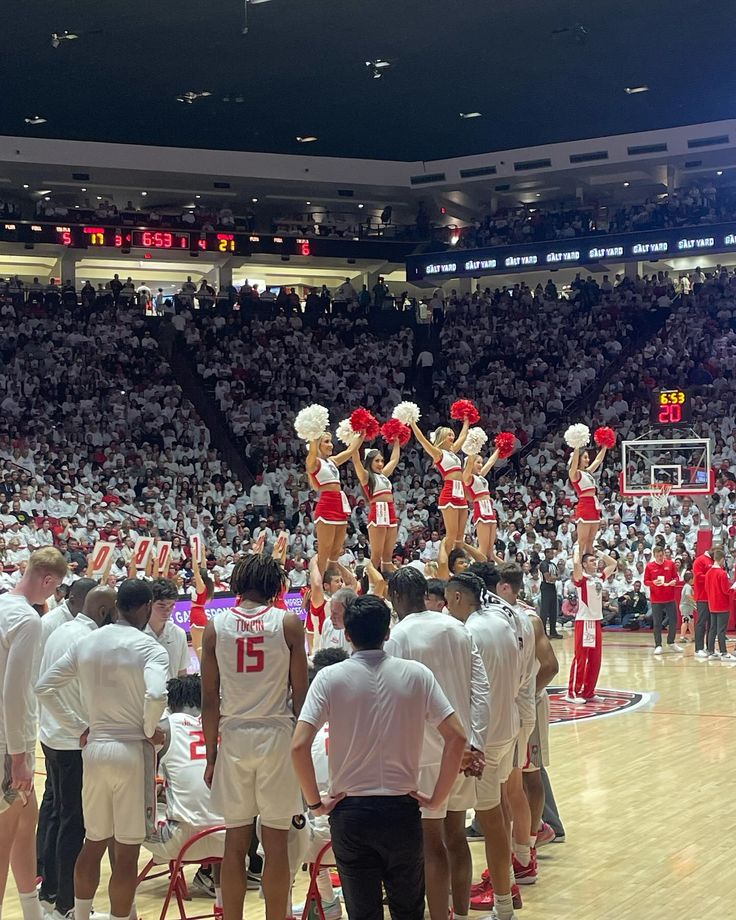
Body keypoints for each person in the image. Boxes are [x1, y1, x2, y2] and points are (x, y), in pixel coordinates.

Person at [291, 595, 466, 920]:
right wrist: (437, 798)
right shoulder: (417, 674)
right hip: (401, 809)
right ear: (388, 633)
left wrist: (315, 804)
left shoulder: (329, 678)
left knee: (362, 913)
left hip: (351, 813)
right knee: (408, 910)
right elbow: (457, 737)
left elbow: (298, 745)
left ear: (346, 634)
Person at [35, 578, 169, 920]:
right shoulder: (150, 648)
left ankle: (79, 915)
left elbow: (44, 686)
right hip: (130, 751)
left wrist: (77, 726)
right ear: (144, 607)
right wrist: (150, 729)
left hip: (94, 750)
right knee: (126, 853)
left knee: (92, 842)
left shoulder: (87, 641)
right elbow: (156, 695)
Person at [201, 554, 308, 920]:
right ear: (275, 586)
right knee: (276, 845)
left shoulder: (216, 626)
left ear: (237, 583)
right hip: (277, 734)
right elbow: (301, 695)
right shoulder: (289, 623)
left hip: (233, 735)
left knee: (235, 844)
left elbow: (208, 699)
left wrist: (211, 757)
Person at [385, 568, 489, 920]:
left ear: (398, 597)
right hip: (462, 748)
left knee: (431, 845)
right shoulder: (457, 628)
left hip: (425, 756)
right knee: (456, 838)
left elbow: (396, 702)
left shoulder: (398, 636)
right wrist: (474, 743)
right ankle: (460, 915)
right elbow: (481, 689)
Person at [36, 585, 117, 920]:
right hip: (73, 742)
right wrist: (81, 726)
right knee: (75, 823)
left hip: (52, 737)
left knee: (56, 816)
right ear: (102, 611)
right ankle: (69, 904)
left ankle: (51, 892)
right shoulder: (87, 640)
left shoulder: (61, 629)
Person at [444, 571, 521, 920]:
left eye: (448, 600)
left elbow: (471, 691)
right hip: (508, 727)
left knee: (481, 820)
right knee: (499, 813)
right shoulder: (503, 619)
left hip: (485, 739)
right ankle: (504, 896)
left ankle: (503, 904)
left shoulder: (468, 631)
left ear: (458, 598)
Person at [0, 548, 68, 920]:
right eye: (54, 587)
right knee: (5, 834)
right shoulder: (27, 620)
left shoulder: (2, 605)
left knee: (28, 820)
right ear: (47, 580)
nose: (52, 595)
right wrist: (20, 755)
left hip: (6, 732)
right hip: (9, 739)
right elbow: (15, 692)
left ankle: (31, 911)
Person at [141, 675, 226, 913]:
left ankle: (127, 910)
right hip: (228, 840)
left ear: (171, 705)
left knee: (123, 822)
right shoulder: (223, 724)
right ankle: (221, 904)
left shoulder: (164, 728)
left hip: (180, 842)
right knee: (221, 817)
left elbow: (143, 783)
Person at [409, 415, 471, 555]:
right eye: (449, 434)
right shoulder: (438, 453)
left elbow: (462, 436)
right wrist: (413, 423)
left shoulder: (453, 451)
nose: (452, 437)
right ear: (442, 436)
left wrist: (466, 420)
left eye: (452, 434)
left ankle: (456, 563)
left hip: (460, 492)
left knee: (460, 536)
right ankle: (443, 563)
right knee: (451, 534)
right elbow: (423, 440)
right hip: (449, 492)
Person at [305, 429, 362, 577]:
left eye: (330, 441)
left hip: (339, 505)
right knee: (325, 549)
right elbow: (312, 452)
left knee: (336, 549)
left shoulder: (332, 461)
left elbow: (351, 450)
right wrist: (312, 433)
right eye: (326, 442)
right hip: (326, 505)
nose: (330, 445)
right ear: (317, 444)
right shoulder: (314, 462)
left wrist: (362, 433)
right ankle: (318, 585)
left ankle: (330, 581)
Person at [566, 548, 618, 703]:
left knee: (595, 659)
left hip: (596, 621)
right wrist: (578, 550)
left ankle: (589, 691)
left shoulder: (599, 578)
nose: (595, 562)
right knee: (581, 658)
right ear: (584, 564)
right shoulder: (581, 578)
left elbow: (613, 563)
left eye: (595, 560)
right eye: (591, 560)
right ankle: (572, 693)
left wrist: (598, 552)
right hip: (584, 621)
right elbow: (576, 564)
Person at [351, 440, 402, 571]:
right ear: (369, 463)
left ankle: (387, 586)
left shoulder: (383, 475)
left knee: (387, 557)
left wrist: (396, 440)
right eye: (376, 461)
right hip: (378, 511)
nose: (380, 464)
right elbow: (356, 460)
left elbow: (395, 459)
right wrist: (355, 440)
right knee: (376, 556)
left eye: (381, 461)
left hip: (390, 510)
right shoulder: (366, 476)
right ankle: (368, 585)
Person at [462, 442, 502, 562]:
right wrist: (471, 450)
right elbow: (468, 465)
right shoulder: (468, 478)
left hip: (490, 509)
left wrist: (500, 448)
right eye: (478, 462)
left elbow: (490, 462)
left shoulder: (481, 476)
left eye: (481, 462)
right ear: (470, 463)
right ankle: (473, 568)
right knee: (483, 550)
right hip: (481, 509)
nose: (480, 465)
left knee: (490, 553)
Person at [568, 440, 609, 555]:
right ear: (579, 458)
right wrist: (576, 447)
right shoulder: (574, 474)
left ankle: (589, 568)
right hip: (584, 506)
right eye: (585, 457)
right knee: (582, 541)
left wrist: (605, 446)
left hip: (594, 506)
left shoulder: (588, 472)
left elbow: (598, 460)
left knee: (590, 541)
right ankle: (579, 567)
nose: (588, 459)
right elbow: (574, 463)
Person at [146, 578, 189, 679]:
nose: (167, 611)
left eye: (171, 606)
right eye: (161, 606)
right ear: (149, 604)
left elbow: (182, 673)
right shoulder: (136, 633)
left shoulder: (179, 634)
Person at [643, 545, 683, 655]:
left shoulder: (670, 564)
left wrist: (673, 581)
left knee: (673, 620)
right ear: (654, 555)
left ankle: (671, 641)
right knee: (657, 623)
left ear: (664, 554)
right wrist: (653, 583)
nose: (660, 558)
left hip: (669, 597)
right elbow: (645, 581)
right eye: (658, 556)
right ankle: (658, 645)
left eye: (661, 555)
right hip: (656, 599)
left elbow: (676, 577)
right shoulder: (650, 566)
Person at [704, 548, 734, 661]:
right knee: (721, 630)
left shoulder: (708, 573)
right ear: (721, 559)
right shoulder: (722, 573)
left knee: (712, 629)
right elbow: (726, 590)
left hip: (712, 604)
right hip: (722, 605)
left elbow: (707, 589)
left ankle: (711, 651)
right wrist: (734, 588)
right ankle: (724, 652)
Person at [189, 545, 215, 663]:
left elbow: (196, 571)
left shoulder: (202, 587)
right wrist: (202, 553)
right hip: (198, 614)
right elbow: (203, 567)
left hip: (197, 615)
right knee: (196, 645)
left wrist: (193, 555)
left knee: (198, 646)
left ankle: (203, 669)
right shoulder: (206, 585)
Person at [318, 587, 356, 653]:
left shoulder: (359, 633)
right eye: (331, 612)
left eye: (336, 614)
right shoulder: (328, 623)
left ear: (349, 613)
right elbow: (322, 653)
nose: (331, 618)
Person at [693, 546, 715, 659]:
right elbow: (698, 577)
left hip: (712, 597)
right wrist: (712, 577)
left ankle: (710, 648)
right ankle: (698, 648)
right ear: (712, 550)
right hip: (702, 596)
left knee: (712, 624)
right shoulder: (700, 560)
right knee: (701, 622)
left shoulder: (714, 560)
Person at [538, 547, 561, 639]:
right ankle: (543, 632)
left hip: (552, 587)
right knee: (545, 610)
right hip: (545, 587)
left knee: (553, 610)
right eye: (550, 553)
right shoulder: (543, 564)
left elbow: (558, 575)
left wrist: (554, 577)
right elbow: (548, 578)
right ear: (546, 554)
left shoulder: (553, 564)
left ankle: (553, 630)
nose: (552, 555)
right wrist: (555, 577)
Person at [679, 571, 695, 644]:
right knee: (685, 621)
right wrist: (694, 601)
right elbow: (688, 595)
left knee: (691, 621)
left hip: (688, 607)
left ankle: (693, 636)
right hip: (686, 607)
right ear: (690, 579)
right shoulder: (688, 587)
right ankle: (682, 637)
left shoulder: (686, 586)